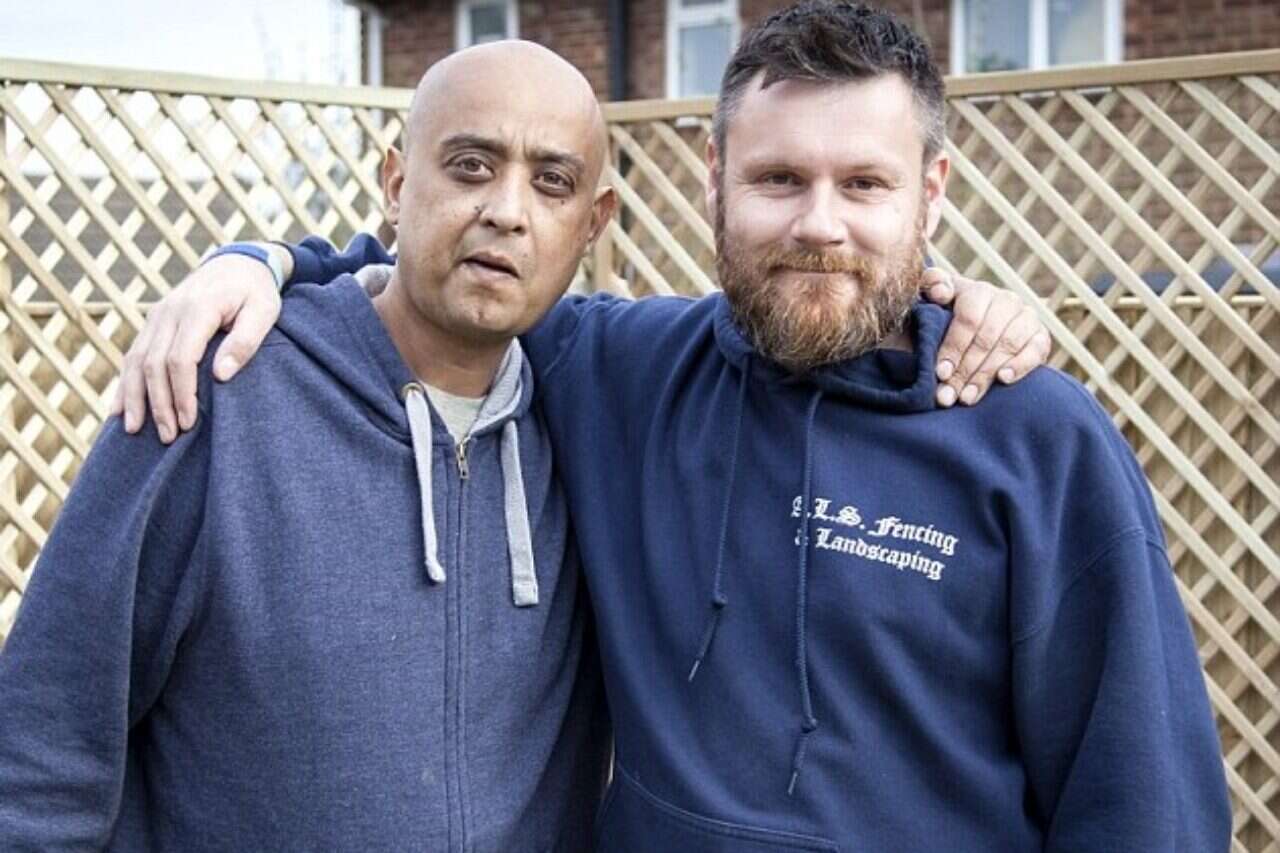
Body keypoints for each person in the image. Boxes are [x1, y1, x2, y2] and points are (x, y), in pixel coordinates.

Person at [111, 3, 1233, 851]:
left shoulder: (1035, 443)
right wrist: (260, 261)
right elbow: (451, 269)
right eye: (778, 179)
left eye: (864, 185)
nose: (820, 224)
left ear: (930, 193)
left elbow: (1143, 802)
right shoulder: (617, 371)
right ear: (714, 182)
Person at [0, 42, 616, 851]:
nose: (507, 209)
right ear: (396, 183)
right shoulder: (216, 395)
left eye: (552, 181)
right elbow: (41, 755)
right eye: (471, 165)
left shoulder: (596, 427)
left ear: (593, 222)